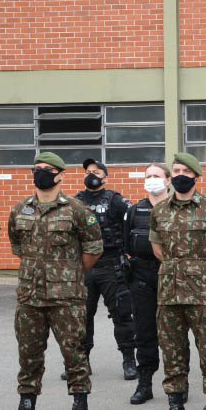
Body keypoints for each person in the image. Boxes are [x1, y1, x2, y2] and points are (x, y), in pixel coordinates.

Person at [3, 152, 103, 410]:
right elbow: (17, 246)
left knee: (74, 353)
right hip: (30, 296)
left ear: (60, 174)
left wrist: (69, 273)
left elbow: (93, 248)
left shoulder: (76, 209)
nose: (41, 173)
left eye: (47, 169)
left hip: (66, 297)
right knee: (29, 355)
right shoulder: (20, 209)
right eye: (36, 168)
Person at [148, 153, 206, 410]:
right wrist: (178, 269)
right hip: (169, 293)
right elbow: (158, 248)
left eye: (186, 171)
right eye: (176, 170)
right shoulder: (159, 211)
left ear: (196, 177)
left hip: (202, 294)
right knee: (172, 353)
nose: (180, 175)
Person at [76, 158, 137, 381]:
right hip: (85, 266)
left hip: (112, 265)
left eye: (96, 171)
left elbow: (133, 222)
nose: (91, 174)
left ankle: (129, 360)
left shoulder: (116, 200)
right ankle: (82, 361)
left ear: (105, 177)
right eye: (88, 171)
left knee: (122, 314)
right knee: (82, 316)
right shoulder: (76, 201)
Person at [122, 161, 172, 405]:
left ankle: (176, 384)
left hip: (171, 275)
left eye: (157, 175)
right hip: (141, 276)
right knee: (144, 332)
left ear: (168, 180)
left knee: (173, 333)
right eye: (148, 175)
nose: (152, 179)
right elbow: (125, 243)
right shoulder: (134, 210)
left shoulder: (177, 209)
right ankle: (145, 383)